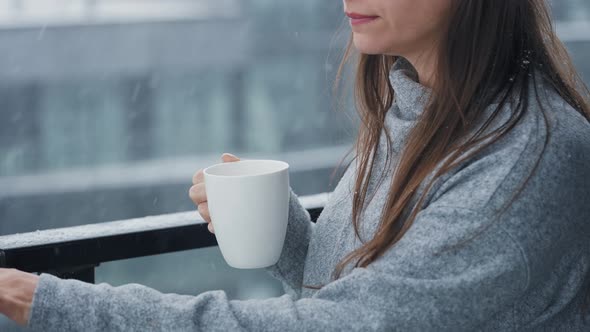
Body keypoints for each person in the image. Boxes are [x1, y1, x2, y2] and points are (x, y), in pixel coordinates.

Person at [1, 0, 590, 330]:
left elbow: (347, 326)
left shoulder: (529, 158)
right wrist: (283, 236)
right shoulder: (418, 106)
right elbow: (370, 297)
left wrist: (55, 303)